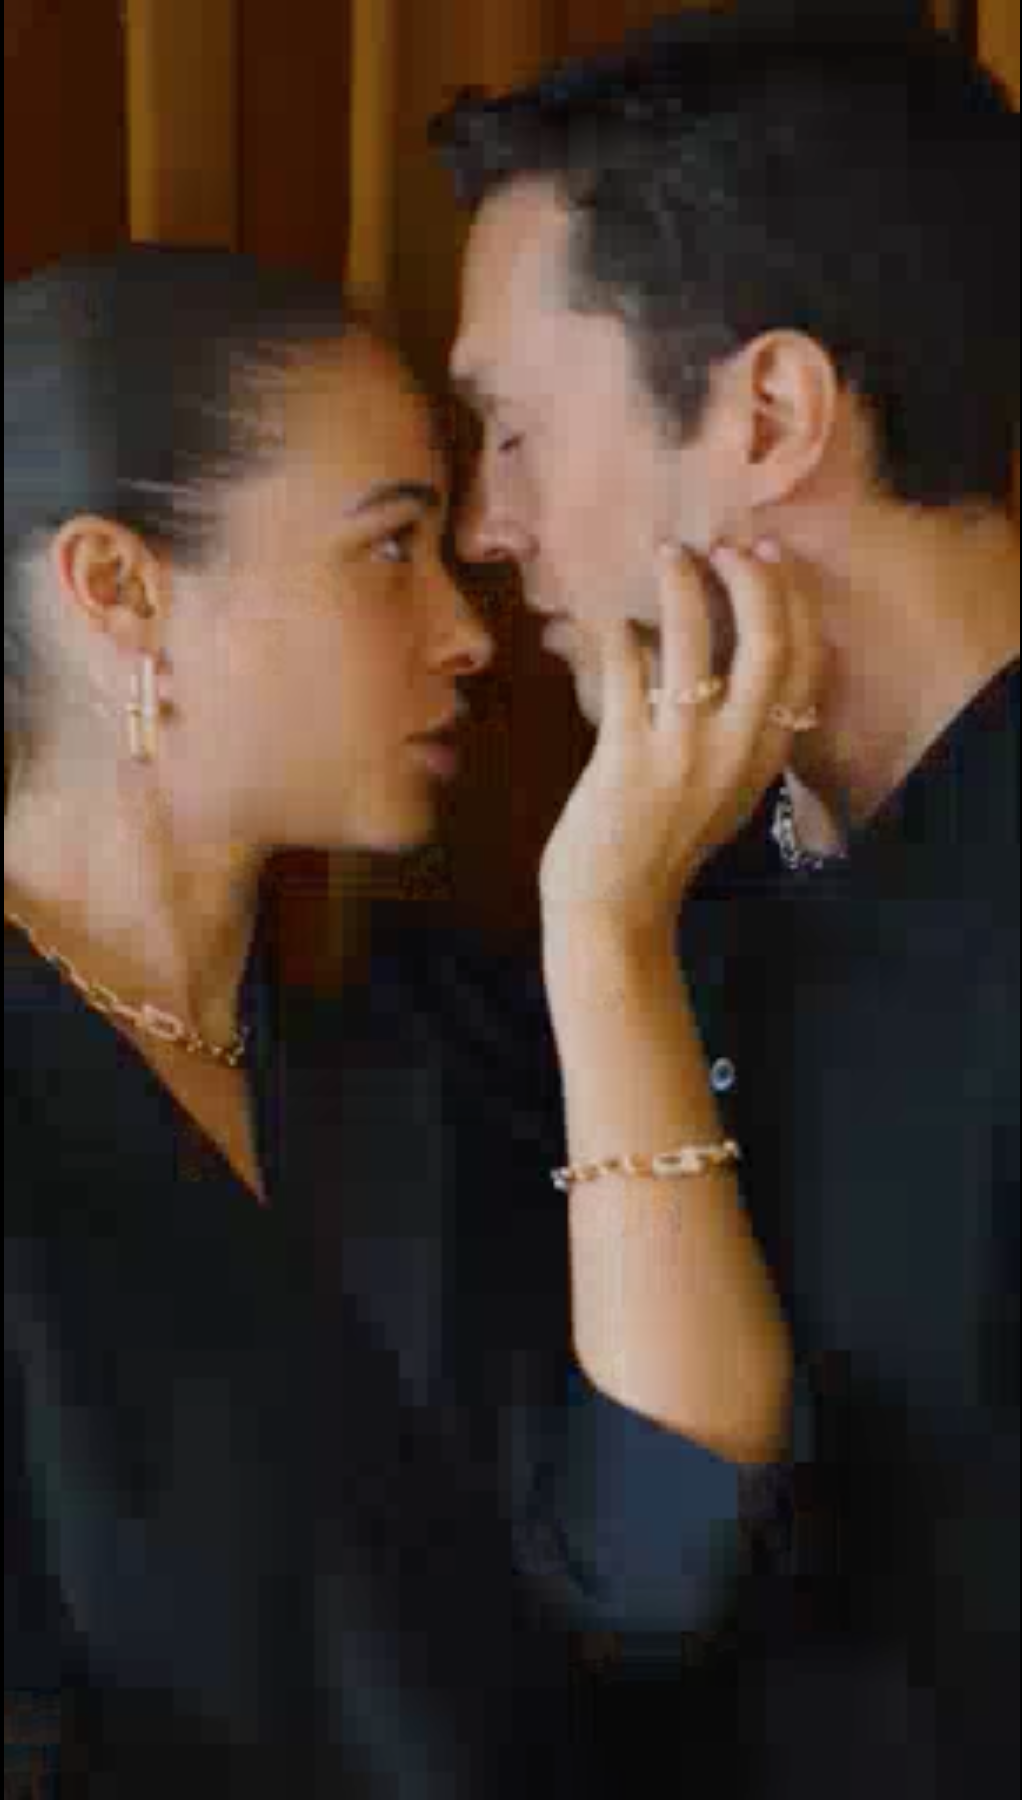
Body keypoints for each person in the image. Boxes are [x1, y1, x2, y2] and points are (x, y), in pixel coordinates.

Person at [4, 244, 813, 1797]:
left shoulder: (427, 1049)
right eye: (388, 548)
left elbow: (660, 1556)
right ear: (118, 588)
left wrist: (608, 933)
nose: (468, 630)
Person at [432, 5, 1019, 1797]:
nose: (483, 528)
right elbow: (635, 1573)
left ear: (765, 414)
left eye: (512, 431)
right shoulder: (673, 882)